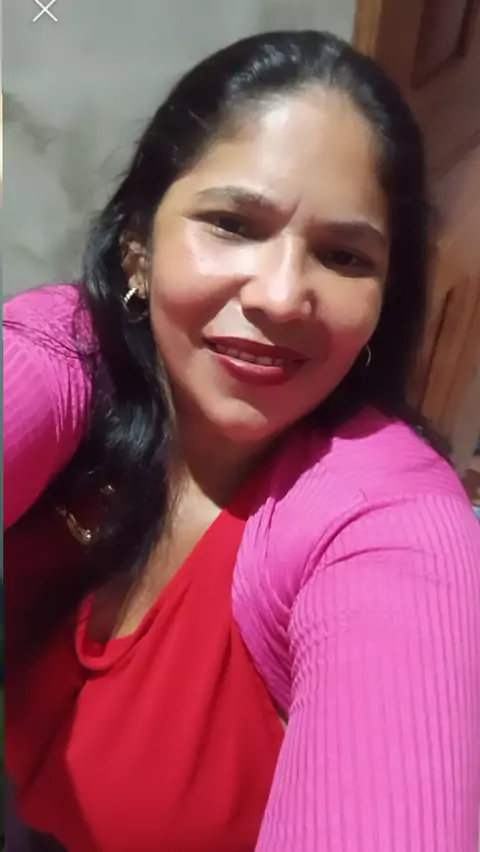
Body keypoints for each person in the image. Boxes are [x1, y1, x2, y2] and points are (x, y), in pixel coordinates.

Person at [4, 30, 480, 852]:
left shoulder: (388, 526)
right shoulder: (71, 359)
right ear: (138, 245)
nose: (282, 296)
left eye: (343, 256)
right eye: (231, 224)